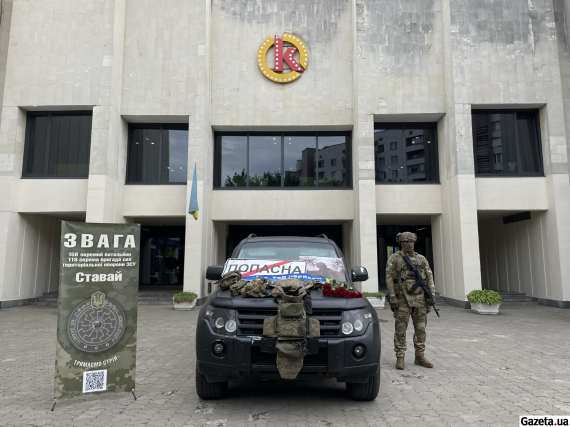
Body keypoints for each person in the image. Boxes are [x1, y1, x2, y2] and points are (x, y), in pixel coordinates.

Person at [386, 232, 435, 370]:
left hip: (420, 300)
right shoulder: (395, 258)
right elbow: (389, 277)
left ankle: (420, 356)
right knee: (400, 329)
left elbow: (429, 277)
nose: (409, 243)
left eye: (411, 241)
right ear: (401, 243)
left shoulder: (421, 259)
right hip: (402, 299)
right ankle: (400, 356)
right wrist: (392, 296)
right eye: (406, 241)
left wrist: (431, 296)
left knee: (420, 329)